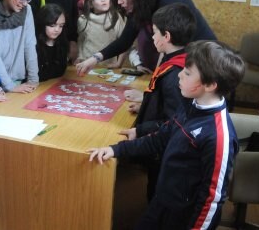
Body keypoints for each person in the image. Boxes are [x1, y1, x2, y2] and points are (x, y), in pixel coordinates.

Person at [88, 40, 245, 230]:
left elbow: (212, 199)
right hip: (162, 201)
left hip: (182, 218)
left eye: (187, 73)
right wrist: (116, 149)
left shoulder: (218, 136)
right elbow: (160, 138)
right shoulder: (189, 106)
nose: (179, 74)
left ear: (210, 85)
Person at [75, 0, 216, 76]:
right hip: (182, 65)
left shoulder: (170, 0)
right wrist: (94, 59)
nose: (119, 2)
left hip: (202, 60)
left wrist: (151, 93)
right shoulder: (138, 6)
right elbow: (125, 40)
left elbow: (173, 50)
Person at [120, 3, 196, 202]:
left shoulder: (175, 75)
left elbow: (175, 122)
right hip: (164, 149)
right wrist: (146, 107)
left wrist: (141, 129)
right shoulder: (182, 59)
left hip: (166, 154)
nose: (152, 37)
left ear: (166, 37)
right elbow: (165, 103)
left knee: (157, 195)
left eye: (155, 33)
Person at [76, 0, 126, 67]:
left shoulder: (115, 17)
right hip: (87, 64)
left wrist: (119, 63)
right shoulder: (83, 20)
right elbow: (80, 41)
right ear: (90, 4)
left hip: (108, 66)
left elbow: (125, 42)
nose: (103, 0)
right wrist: (79, 57)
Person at [35, 3, 68, 82]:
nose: (57, 29)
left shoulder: (62, 43)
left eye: (61, 26)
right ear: (42, 24)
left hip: (52, 84)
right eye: (52, 25)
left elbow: (61, 71)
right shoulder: (34, 45)